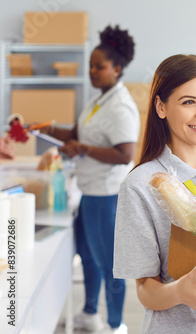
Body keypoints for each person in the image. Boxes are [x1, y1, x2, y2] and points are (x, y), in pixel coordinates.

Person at [113, 54, 196, 334]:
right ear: (161, 107)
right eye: (189, 102)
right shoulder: (141, 184)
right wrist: (180, 292)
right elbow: (145, 291)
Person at [41, 25, 139, 333]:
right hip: (89, 191)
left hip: (106, 196)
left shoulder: (120, 106)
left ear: (118, 69)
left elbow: (125, 154)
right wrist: (41, 128)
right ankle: (89, 314)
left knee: (110, 264)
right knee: (86, 256)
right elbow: (74, 133)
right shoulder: (99, 100)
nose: (92, 71)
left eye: (100, 66)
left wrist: (83, 149)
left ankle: (116, 325)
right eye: (91, 66)